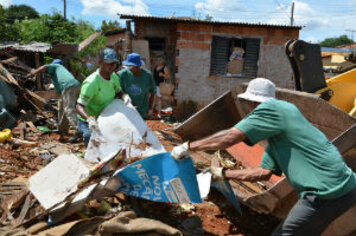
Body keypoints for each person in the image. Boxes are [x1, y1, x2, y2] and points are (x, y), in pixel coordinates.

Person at [171, 78, 356, 235]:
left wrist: (188, 146)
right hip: (343, 191)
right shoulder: (278, 138)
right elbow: (262, 173)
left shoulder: (274, 108)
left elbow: (230, 137)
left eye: (248, 105)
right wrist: (221, 173)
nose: (249, 110)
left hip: (326, 193)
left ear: (253, 102)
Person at [76, 48, 130, 147]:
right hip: (88, 119)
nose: (112, 66)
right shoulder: (91, 83)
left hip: (104, 115)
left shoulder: (113, 77)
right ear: (100, 63)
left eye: (114, 63)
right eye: (109, 63)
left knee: (110, 140)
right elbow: (79, 106)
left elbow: (118, 91)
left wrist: (124, 96)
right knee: (91, 140)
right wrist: (90, 119)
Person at [29, 59, 81, 142]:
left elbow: (44, 67)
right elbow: (58, 90)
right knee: (61, 108)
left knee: (69, 109)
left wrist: (33, 73)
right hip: (71, 87)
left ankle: (79, 130)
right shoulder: (58, 74)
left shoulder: (57, 66)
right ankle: (62, 129)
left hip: (69, 87)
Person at [118, 53, 156, 119]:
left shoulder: (147, 75)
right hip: (127, 110)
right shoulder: (123, 74)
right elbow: (119, 91)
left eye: (132, 66)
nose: (130, 68)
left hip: (142, 111)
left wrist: (149, 109)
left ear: (138, 66)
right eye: (129, 66)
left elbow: (152, 93)